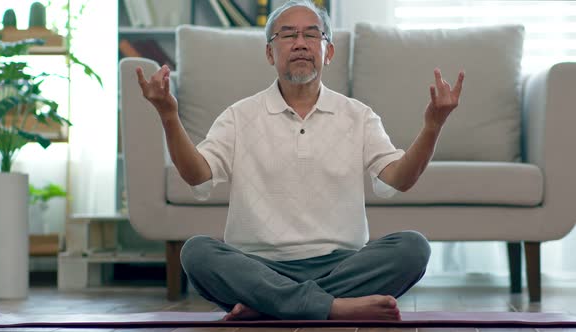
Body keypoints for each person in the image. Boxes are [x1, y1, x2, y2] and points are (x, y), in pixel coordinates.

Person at [135, 0, 464, 322]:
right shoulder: (238, 116)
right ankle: (334, 308)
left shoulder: (358, 116)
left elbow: (398, 179)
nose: (300, 44)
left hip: (340, 263)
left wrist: (433, 126)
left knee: (413, 248)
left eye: (312, 35)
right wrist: (168, 115)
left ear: (328, 51)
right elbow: (197, 175)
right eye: (288, 35)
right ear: (269, 52)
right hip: (258, 264)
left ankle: (268, 305)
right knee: (196, 253)